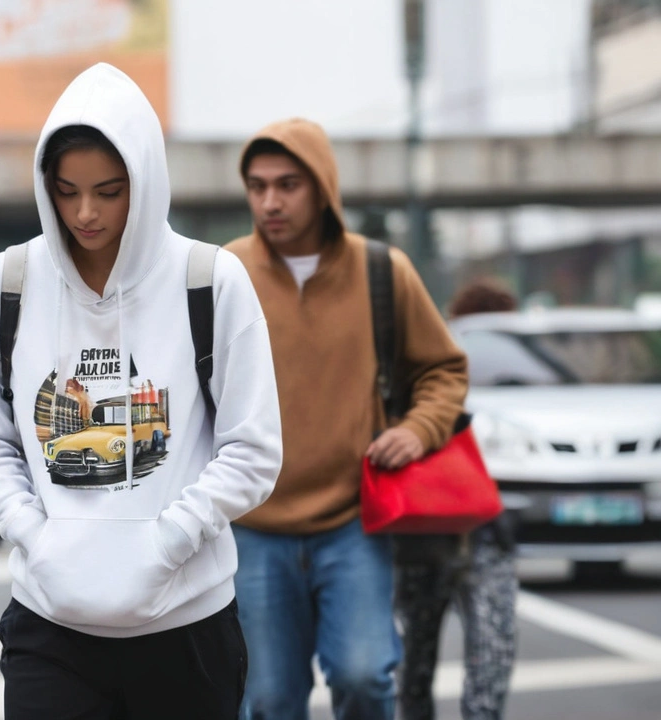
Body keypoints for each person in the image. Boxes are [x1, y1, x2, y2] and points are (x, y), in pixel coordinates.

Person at [0, 63, 283, 719]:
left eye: (108, 191)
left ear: (147, 180)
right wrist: (38, 540)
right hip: (51, 624)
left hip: (186, 628)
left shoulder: (210, 280)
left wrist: (164, 545)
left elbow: (252, 452)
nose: (85, 213)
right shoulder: (6, 283)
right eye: (67, 190)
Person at [223, 119, 468, 720]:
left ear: (323, 188)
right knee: (271, 699)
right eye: (257, 186)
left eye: (287, 185)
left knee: (364, 679)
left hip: (354, 522)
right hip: (252, 527)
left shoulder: (383, 271)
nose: (270, 202)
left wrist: (416, 430)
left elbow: (444, 370)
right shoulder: (223, 273)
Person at [395, 277, 519, 720]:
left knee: (414, 666)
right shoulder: (522, 387)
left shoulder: (422, 372)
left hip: (426, 529)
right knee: (489, 664)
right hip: (478, 533)